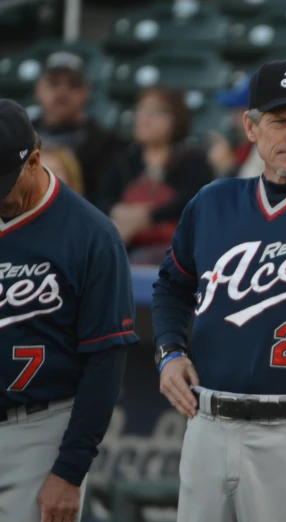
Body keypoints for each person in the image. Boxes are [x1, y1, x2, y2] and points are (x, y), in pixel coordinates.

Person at [150, 60, 286, 522]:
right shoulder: (212, 202)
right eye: (280, 121)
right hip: (206, 423)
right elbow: (171, 287)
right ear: (250, 126)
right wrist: (169, 352)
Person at [0, 99, 138, 522]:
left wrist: (69, 472)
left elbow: (106, 360)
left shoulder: (90, 235)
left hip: (37, 432)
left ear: (34, 161)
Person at [93, 86, 214, 264]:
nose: (145, 118)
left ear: (177, 119)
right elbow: (101, 198)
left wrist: (147, 216)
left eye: (156, 112)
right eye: (141, 109)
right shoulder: (124, 159)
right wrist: (118, 210)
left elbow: (191, 202)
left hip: (175, 247)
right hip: (127, 240)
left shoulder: (192, 160)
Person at [32, 50, 128, 204]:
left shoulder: (105, 143)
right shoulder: (20, 136)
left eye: (73, 85)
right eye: (53, 84)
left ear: (86, 91)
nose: (62, 92)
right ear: (38, 89)